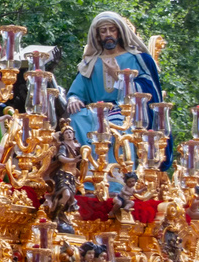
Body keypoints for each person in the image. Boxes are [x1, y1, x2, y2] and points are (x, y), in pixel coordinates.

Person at [66, 12, 167, 165]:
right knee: (76, 118)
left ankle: (117, 178)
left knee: (115, 123)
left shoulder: (137, 58)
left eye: (112, 30)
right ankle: (86, 173)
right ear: (98, 36)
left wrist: (118, 76)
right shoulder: (91, 62)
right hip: (96, 111)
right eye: (103, 31)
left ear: (119, 32)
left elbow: (149, 91)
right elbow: (77, 89)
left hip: (127, 110)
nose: (108, 34)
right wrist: (73, 98)